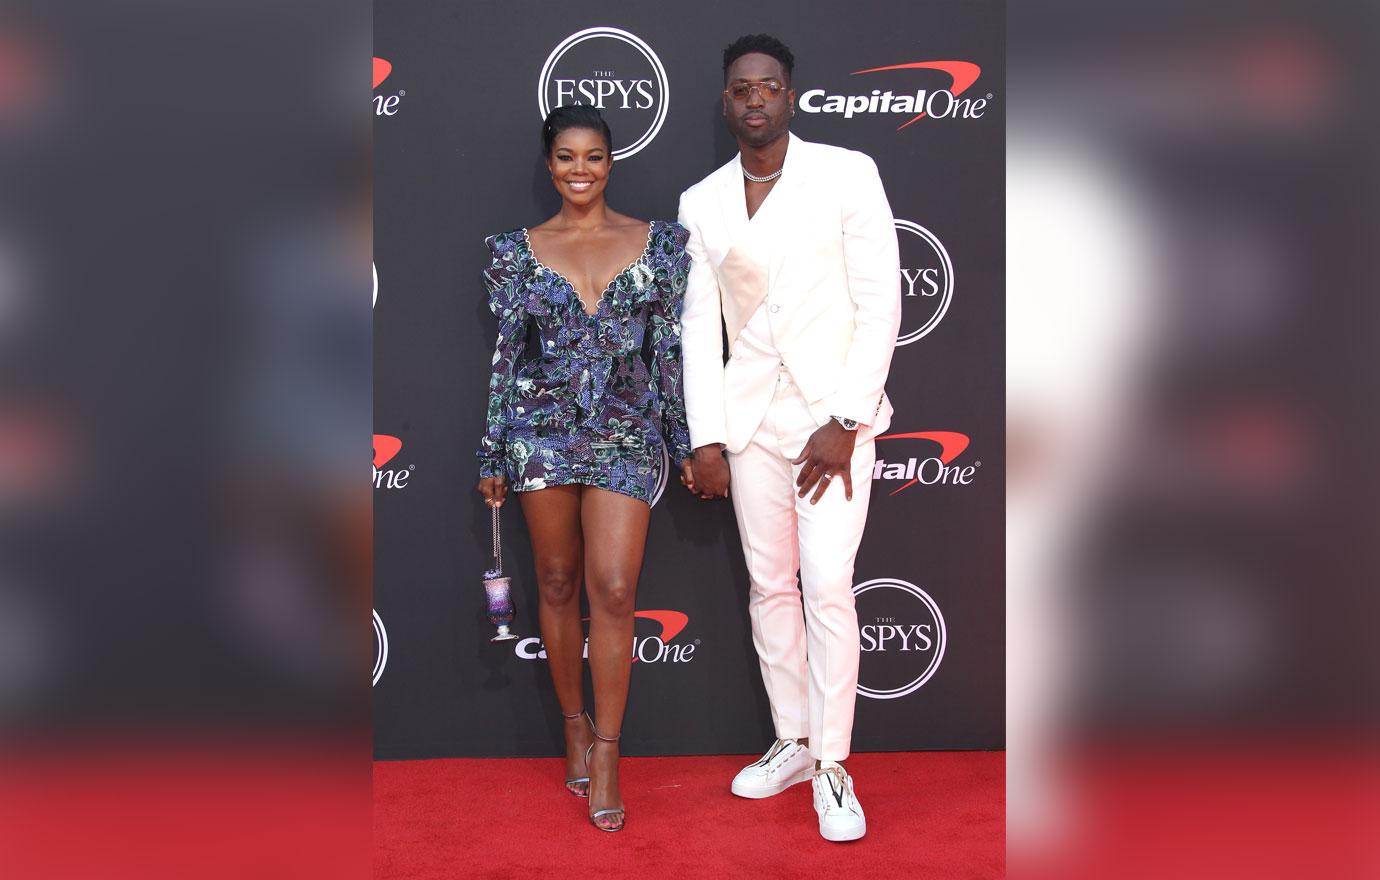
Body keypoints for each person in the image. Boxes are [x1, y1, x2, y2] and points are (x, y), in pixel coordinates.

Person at [677, 34, 901, 842]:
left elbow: (880, 306)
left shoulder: (847, 173)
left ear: (791, 96)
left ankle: (835, 764)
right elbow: (700, 330)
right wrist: (706, 438)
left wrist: (847, 420)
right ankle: (794, 742)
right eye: (741, 89)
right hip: (750, 425)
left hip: (830, 426)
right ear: (726, 101)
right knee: (770, 587)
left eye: (769, 86)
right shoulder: (702, 201)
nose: (756, 100)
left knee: (828, 587)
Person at [475, 104, 693, 833]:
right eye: (566, 157)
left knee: (617, 585)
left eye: (593, 156)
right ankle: (572, 722)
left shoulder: (658, 244)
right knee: (560, 580)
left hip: (626, 432)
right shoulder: (516, 250)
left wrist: (685, 443)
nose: (579, 170)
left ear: (611, 162)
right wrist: (493, 450)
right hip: (539, 434)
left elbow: (667, 355)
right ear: (549, 164)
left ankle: (607, 749)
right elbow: (506, 358)